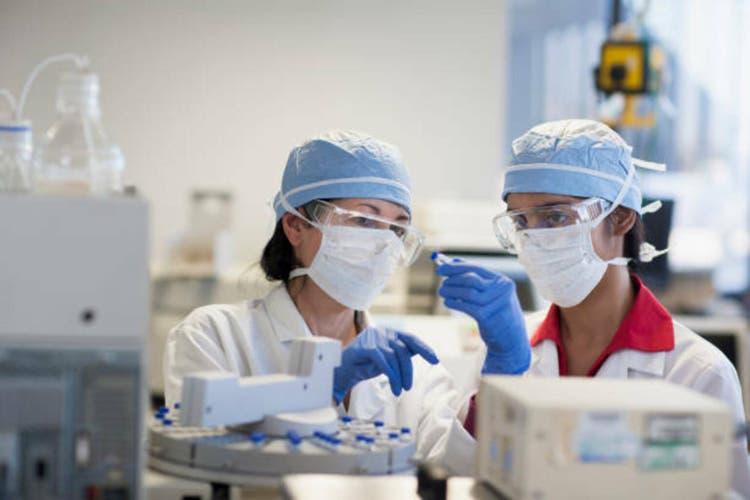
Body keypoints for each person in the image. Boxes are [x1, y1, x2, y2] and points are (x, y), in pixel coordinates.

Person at [436, 119, 750, 495]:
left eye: (554, 217)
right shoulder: (509, 346)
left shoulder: (697, 371)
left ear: (620, 218)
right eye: (521, 221)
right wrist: (496, 381)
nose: (534, 237)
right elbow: (459, 476)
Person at [164, 130, 475, 470]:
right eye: (364, 220)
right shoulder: (214, 335)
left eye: (398, 228)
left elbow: (454, 471)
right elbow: (203, 461)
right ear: (296, 227)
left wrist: (500, 373)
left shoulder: (410, 365)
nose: (385, 243)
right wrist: (324, 386)